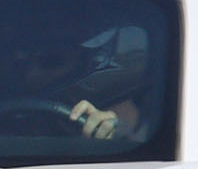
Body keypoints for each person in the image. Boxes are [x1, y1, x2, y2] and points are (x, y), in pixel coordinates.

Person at [12, 23, 154, 142]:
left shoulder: (121, 106)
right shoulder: (10, 119)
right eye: (23, 61)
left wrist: (109, 136)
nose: (32, 73)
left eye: (51, 59)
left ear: (86, 63)